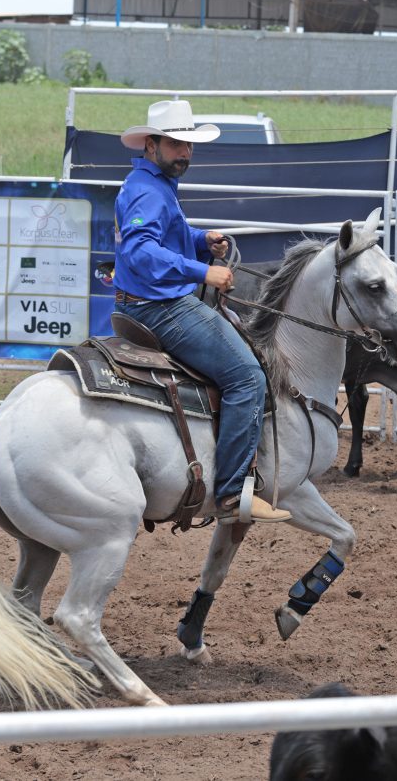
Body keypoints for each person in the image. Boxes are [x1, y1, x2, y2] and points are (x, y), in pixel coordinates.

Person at [113, 99, 291, 525]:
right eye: (176, 144)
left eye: (188, 145)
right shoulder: (147, 191)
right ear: (152, 144)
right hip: (162, 307)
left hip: (144, 302)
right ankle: (231, 493)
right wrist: (203, 271)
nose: (185, 153)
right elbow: (141, 253)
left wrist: (197, 240)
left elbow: (161, 237)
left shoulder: (153, 186)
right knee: (248, 377)